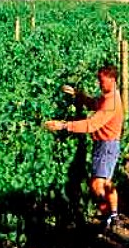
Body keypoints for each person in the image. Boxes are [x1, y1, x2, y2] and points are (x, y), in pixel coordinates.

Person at [45, 64, 124, 230]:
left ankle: (108, 218)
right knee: (106, 182)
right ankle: (114, 216)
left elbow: (91, 125)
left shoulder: (112, 102)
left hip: (106, 145)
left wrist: (63, 125)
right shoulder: (109, 96)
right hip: (107, 144)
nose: (99, 84)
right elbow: (95, 104)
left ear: (112, 79)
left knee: (97, 184)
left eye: (102, 81)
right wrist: (78, 95)